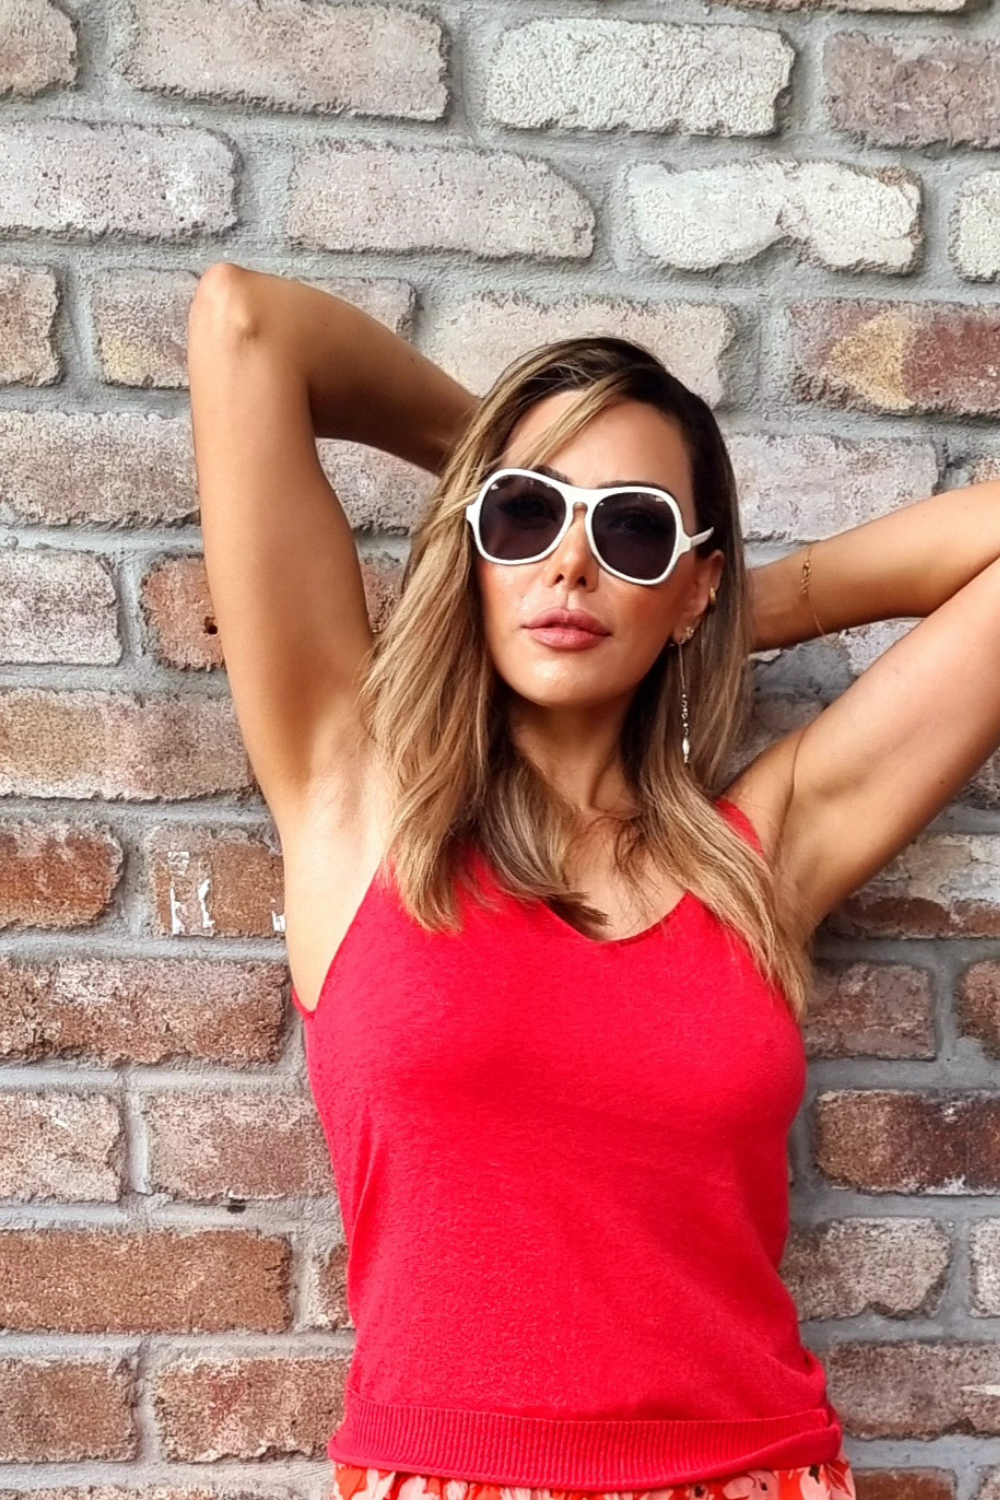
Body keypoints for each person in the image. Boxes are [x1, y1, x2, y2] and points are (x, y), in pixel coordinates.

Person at [187, 263, 1000, 1500]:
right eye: (526, 516)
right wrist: (526, 476)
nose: (571, 567)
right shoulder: (352, 798)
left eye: (627, 526)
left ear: (694, 583)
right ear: (476, 544)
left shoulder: (756, 856)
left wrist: (717, 605)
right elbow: (244, 325)